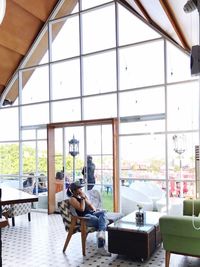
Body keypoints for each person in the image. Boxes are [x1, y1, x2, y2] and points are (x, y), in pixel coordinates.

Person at [66, 180, 111, 256]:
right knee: (103, 222)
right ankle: (101, 247)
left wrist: (95, 210)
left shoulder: (82, 196)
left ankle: (101, 234)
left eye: (81, 188)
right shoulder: (72, 199)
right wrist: (83, 199)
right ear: (74, 190)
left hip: (92, 214)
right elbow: (82, 209)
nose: (81, 190)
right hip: (84, 218)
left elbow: (90, 205)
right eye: (79, 188)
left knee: (103, 213)